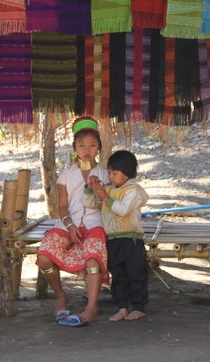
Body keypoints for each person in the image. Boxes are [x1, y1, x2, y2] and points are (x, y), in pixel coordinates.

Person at [36, 117, 109, 327]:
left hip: (96, 225)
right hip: (68, 224)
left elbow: (110, 202)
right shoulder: (67, 174)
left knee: (93, 258)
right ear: (74, 146)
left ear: (99, 148)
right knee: (44, 256)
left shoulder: (105, 174)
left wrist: (100, 190)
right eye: (82, 145)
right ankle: (61, 297)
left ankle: (91, 308)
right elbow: (61, 207)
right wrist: (70, 226)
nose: (87, 150)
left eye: (92, 145)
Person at [84, 150, 149, 322]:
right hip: (113, 239)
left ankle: (139, 307)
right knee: (118, 274)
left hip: (131, 239)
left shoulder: (133, 190)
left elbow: (122, 209)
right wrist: (91, 188)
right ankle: (122, 307)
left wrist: (105, 197)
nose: (110, 177)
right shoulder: (108, 190)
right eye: (109, 173)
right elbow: (89, 203)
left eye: (115, 173)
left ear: (127, 173)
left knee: (135, 273)